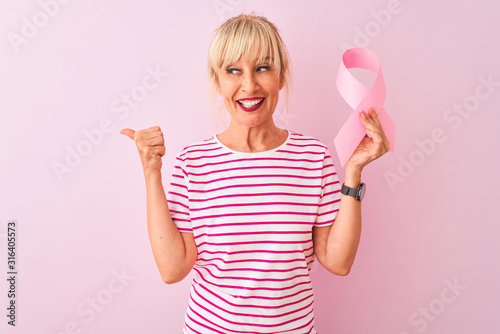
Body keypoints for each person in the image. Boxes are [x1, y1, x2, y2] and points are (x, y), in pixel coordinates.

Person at [121, 12, 390, 334]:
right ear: (218, 82)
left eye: (263, 67)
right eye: (233, 71)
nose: (249, 85)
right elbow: (172, 269)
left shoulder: (313, 158)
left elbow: (337, 261)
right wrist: (152, 173)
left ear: (281, 76)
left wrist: (354, 173)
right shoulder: (193, 162)